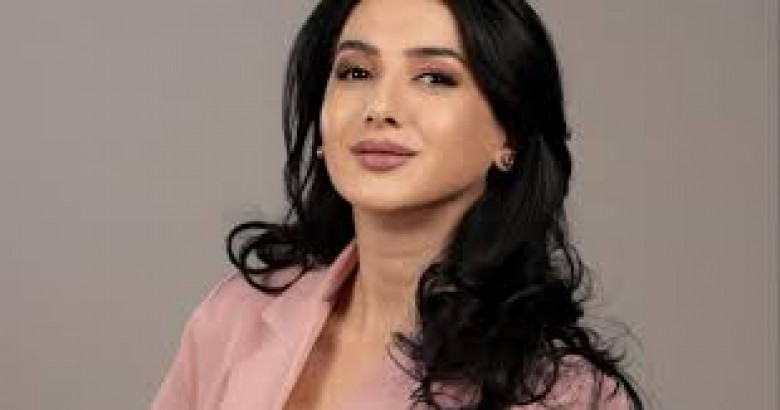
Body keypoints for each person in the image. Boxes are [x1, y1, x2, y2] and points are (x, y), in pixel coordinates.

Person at [151, 0, 645, 409]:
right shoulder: (235, 316)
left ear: (508, 132)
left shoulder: (565, 397)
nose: (380, 108)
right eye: (356, 71)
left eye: (434, 78)